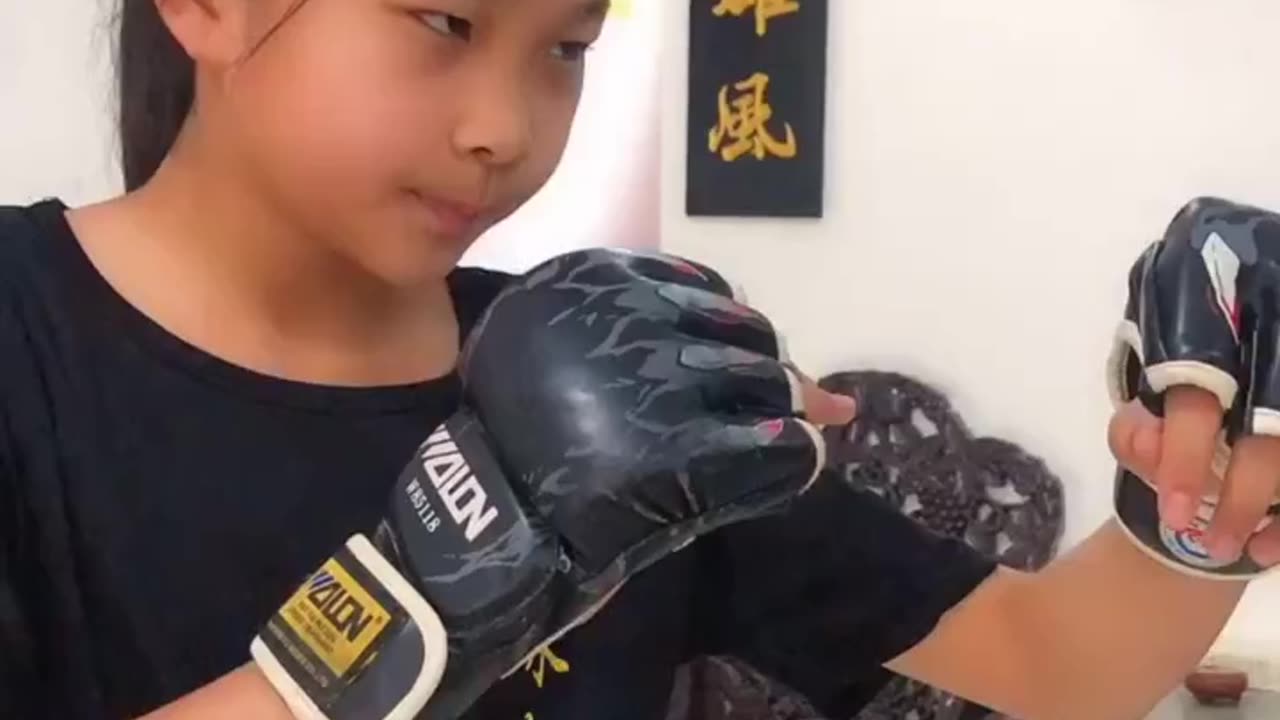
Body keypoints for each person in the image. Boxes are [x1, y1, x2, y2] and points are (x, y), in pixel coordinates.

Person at [0, 1, 1277, 719]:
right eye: (442, 19)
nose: (503, 127)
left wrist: (1212, 489)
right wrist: (417, 616)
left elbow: (1055, 666)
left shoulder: (607, 373)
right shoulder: (23, 344)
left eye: (565, 48)